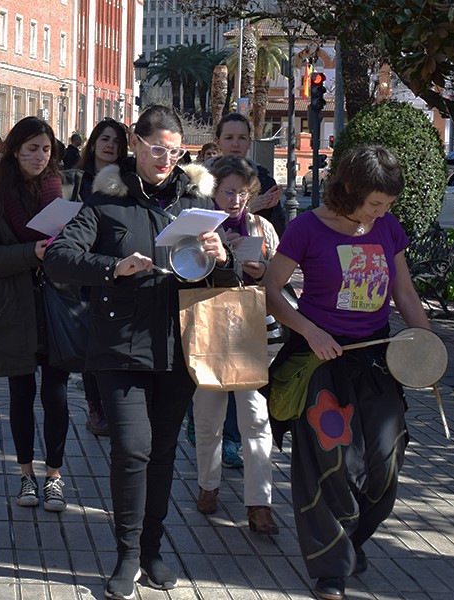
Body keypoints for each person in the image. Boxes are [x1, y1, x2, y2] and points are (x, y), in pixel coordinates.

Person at [44, 105, 241, 599]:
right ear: (136, 142)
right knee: (132, 449)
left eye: (175, 152)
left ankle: (152, 549)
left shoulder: (194, 201)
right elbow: (62, 258)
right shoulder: (106, 199)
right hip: (118, 345)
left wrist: (223, 257)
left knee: (163, 453)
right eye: (158, 149)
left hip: (179, 346)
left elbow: (227, 278)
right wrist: (115, 267)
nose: (166, 159)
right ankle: (126, 554)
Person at [264, 145, 430, 600]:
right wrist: (310, 331)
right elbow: (271, 292)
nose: (382, 213)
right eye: (376, 203)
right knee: (332, 463)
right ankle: (330, 569)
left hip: (376, 359)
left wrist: (427, 345)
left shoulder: (387, 228)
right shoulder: (305, 228)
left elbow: (404, 291)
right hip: (321, 359)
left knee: (385, 458)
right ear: (351, 188)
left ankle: (351, 542)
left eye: (388, 206)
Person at [0, 116, 72, 513]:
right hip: (13, 304)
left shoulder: (62, 189)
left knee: (57, 394)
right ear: (14, 149)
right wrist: (31, 252)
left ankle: (55, 476)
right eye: (31, 148)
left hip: (57, 304)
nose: (39, 156)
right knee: (21, 393)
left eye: (45, 149)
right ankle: (26, 473)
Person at [191, 155, 278, 534]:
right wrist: (217, 255)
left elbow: (284, 275)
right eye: (229, 192)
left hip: (250, 329)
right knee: (207, 417)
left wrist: (262, 270)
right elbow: (184, 274)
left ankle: (260, 504)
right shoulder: (197, 223)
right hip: (208, 324)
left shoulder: (263, 227)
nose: (236, 201)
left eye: (243, 193)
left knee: (256, 418)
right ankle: (208, 486)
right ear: (213, 191)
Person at [70, 118, 130, 437]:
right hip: (81, 265)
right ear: (92, 143)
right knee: (89, 341)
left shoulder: (127, 180)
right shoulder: (75, 179)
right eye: (105, 139)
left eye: (117, 141)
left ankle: (112, 403)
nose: (110, 145)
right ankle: (96, 406)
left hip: (114, 264)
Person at [210, 113, 285, 233]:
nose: (235, 144)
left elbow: (278, 232)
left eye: (242, 138)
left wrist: (269, 209)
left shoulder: (265, 181)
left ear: (249, 142)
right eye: (229, 138)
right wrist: (248, 209)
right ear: (217, 142)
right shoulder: (200, 182)